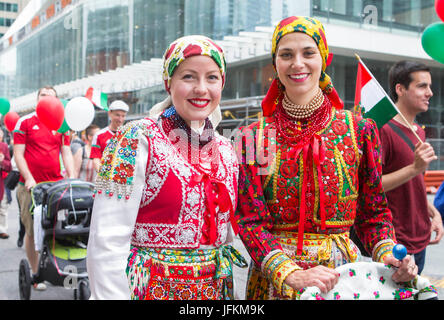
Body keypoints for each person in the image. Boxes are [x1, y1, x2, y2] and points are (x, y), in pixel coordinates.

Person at [235, 16, 417, 300]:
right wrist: (289, 273)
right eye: (286, 55)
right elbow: (249, 221)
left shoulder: (360, 130)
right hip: (275, 281)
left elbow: (373, 216)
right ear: (275, 65)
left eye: (308, 53)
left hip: (342, 278)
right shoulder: (252, 136)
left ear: (323, 58)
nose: (298, 63)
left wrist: (389, 255)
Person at [87, 35, 247, 300]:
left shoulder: (227, 150)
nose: (201, 89)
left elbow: (225, 234)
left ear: (222, 84)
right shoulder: (131, 137)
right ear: (168, 81)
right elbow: (104, 238)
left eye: (212, 78)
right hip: (149, 289)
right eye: (188, 77)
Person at [379, 60, 444, 275]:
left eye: (430, 86)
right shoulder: (383, 130)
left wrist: (433, 214)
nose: (430, 93)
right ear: (400, 89)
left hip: (421, 237)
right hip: (393, 241)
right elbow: (372, 186)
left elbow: (414, 185)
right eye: (422, 86)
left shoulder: (419, 131)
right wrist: (414, 168)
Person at [13, 86, 75, 290]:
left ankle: (66, 269)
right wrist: (29, 177)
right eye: (43, 95)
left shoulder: (62, 123)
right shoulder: (26, 122)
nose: (47, 99)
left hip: (56, 186)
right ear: (37, 98)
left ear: (57, 101)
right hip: (31, 187)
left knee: (64, 230)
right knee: (32, 231)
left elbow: (66, 152)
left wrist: (72, 178)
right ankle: (35, 272)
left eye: (51, 96)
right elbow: (19, 153)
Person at [90, 100, 129, 172]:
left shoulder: (129, 135)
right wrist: (103, 175)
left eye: (123, 116)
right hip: (105, 178)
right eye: (117, 115)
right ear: (109, 113)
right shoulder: (99, 135)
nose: (120, 119)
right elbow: (96, 159)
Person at [0, 129, 11, 239]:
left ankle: (2, 229)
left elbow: (9, 166)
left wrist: (2, 161)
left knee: (3, 206)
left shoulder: (4, 147)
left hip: (1, 181)